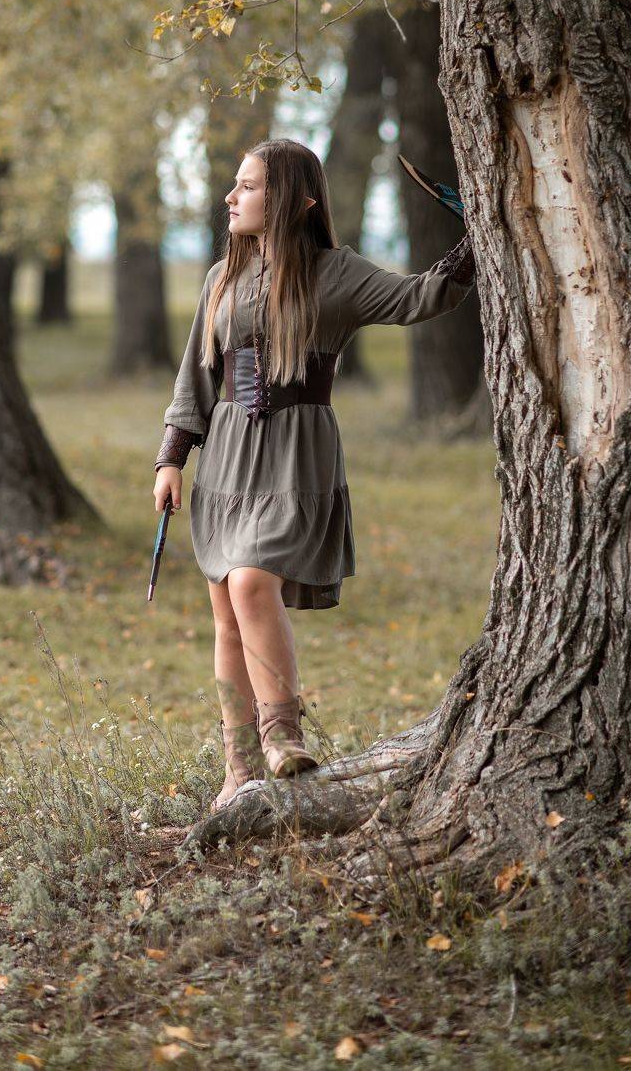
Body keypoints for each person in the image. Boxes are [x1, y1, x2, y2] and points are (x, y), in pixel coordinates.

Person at [153, 138, 477, 814]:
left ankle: (283, 738)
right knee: (226, 615)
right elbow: (197, 375)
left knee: (251, 581)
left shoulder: (337, 273)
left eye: (247, 187)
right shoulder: (221, 278)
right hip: (226, 460)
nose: (230, 197)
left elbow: (420, 298)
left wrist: (481, 236)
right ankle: (238, 771)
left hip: (296, 457)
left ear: (295, 202)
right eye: (235, 184)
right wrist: (171, 457)